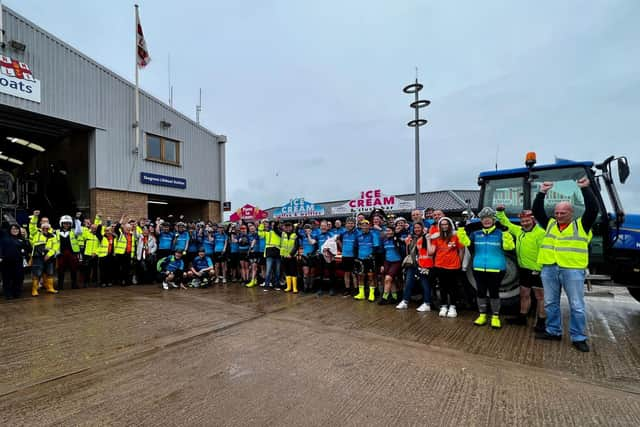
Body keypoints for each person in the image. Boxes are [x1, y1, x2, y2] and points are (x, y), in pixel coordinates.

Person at [533, 177, 598, 353]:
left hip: (572, 270)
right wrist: (542, 192)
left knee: (576, 304)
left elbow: (593, 209)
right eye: (557, 213)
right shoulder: (550, 224)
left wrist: (585, 189)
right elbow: (537, 211)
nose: (559, 215)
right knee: (550, 302)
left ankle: (578, 337)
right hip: (549, 268)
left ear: (572, 213)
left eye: (563, 213)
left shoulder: (581, 225)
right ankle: (553, 331)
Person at [457, 207, 515, 329]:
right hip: (478, 268)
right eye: (484, 219)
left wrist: (506, 233)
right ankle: (482, 315)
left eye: (489, 218)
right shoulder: (476, 234)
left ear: (493, 220)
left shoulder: (500, 233)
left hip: (496, 269)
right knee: (481, 292)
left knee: (494, 293)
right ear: (481, 221)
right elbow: (466, 243)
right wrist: (461, 229)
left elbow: (509, 247)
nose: (486, 221)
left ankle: (495, 316)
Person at [496, 205, 546, 331]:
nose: (525, 223)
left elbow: (545, 252)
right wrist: (500, 212)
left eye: (527, 220)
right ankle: (522, 317)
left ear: (532, 220)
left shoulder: (541, 233)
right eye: (523, 221)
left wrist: (539, 268)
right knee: (524, 294)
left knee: (540, 296)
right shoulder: (519, 231)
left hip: (537, 270)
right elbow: (505, 221)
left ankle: (541, 321)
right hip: (524, 269)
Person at [428, 217, 464, 318]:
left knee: (453, 287)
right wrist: (428, 240)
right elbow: (431, 252)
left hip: (453, 266)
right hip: (439, 265)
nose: (444, 226)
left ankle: (452, 306)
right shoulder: (437, 237)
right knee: (443, 287)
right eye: (442, 224)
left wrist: (460, 262)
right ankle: (443, 306)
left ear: (449, 225)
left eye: (446, 224)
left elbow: (461, 249)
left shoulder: (455, 236)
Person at [396, 222, 433, 311]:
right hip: (412, 264)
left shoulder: (426, 237)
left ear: (422, 228)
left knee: (425, 284)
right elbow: (407, 250)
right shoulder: (411, 238)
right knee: (408, 283)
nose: (417, 229)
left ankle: (427, 303)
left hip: (423, 264)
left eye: (419, 227)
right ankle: (405, 301)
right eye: (415, 228)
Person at [28, 211, 58, 296]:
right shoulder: (35, 232)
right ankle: (34, 290)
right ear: (41, 225)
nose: (45, 227)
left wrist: (49, 254)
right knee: (37, 273)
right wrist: (35, 216)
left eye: (47, 223)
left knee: (50, 272)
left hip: (49, 257)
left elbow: (55, 246)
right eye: (43, 223)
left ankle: (50, 288)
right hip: (38, 257)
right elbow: (32, 226)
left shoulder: (53, 235)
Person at [0, 223, 30, 300]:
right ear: (9, 230)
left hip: (19, 262)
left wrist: (26, 239)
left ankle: (16, 293)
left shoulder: (22, 239)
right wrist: (0, 257)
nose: (15, 230)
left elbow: (27, 249)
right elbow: (1, 248)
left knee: (18, 278)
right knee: (7, 279)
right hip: (7, 262)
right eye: (13, 229)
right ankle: (8, 294)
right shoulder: (4, 238)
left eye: (16, 229)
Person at [53, 214, 82, 290]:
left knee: (74, 269)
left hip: (72, 253)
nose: (66, 225)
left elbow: (79, 230)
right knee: (61, 270)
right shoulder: (56, 232)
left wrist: (77, 219)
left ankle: (74, 284)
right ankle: (60, 285)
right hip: (61, 254)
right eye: (65, 223)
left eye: (68, 223)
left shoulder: (73, 231)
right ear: (61, 223)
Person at [354, 219, 378, 302]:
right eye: (362, 225)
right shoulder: (358, 236)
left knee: (371, 277)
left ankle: (371, 294)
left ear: (369, 226)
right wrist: (356, 257)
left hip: (370, 259)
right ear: (360, 226)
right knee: (360, 277)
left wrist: (372, 255)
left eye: (366, 225)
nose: (364, 227)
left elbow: (376, 247)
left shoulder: (373, 235)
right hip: (360, 259)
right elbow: (356, 247)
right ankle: (361, 294)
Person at [379, 226, 402, 305]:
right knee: (391, 280)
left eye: (389, 231)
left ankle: (384, 298)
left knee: (388, 278)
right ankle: (394, 297)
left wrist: (397, 235)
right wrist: (382, 264)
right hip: (387, 261)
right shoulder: (384, 240)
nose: (387, 232)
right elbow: (382, 253)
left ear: (393, 231)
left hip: (396, 261)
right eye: (386, 231)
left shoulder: (396, 239)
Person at [337, 218, 359, 296]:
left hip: (353, 257)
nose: (350, 224)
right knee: (346, 273)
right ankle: (347, 289)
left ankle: (356, 289)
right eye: (348, 223)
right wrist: (339, 241)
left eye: (351, 223)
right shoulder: (343, 234)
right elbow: (341, 246)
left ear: (354, 224)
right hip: (345, 256)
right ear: (345, 224)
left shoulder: (357, 233)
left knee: (354, 274)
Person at [259, 221, 283, 290]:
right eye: (271, 225)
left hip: (278, 251)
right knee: (268, 270)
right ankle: (267, 285)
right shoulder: (267, 232)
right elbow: (260, 234)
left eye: (274, 225)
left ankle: (276, 285)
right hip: (269, 251)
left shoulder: (280, 233)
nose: (273, 226)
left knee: (277, 270)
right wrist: (261, 224)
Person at [295, 224, 318, 293]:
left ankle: (311, 287)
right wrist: (298, 227)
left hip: (313, 256)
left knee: (312, 273)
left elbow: (311, 243)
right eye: (306, 230)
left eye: (309, 229)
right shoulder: (303, 237)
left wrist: (308, 235)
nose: (307, 230)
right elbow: (296, 233)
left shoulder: (315, 237)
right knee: (306, 272)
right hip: (305, 256)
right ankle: (305, 287)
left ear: (311, 230)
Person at [280, 222, 299, 293]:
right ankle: (288, 287)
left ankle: (294, 288)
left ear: (292, 227)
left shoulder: (295, 235)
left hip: (292, 257)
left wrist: (291, 254)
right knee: (287, 272)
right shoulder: (282, 234)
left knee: (293, 272)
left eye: (289, 227)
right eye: (286, 227)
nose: (288, 228)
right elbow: (276, 229)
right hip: (284, 256)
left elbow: (296, 246)